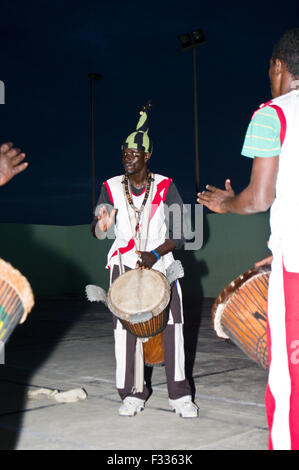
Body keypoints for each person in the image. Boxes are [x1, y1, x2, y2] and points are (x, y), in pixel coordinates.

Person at [197, 28, 299, 450]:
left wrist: (226, 204)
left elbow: (259, 199)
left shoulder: (272, 114)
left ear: (277, 67)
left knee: (288, 385)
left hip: (295, 273)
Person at [91, 102, 198, 418]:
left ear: (147, 156)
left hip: (161, 264)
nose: (127, 159)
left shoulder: (166, 186)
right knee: (123, 332)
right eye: (124, 154)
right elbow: (98, 230)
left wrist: (154, 255)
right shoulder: (110, 187)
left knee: (174, 327)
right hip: (123, 268)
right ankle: (132, 393)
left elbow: (180, 234)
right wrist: (101, 223)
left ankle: (180, 396)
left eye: (133, 155)